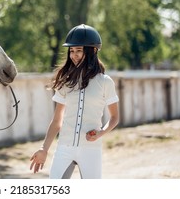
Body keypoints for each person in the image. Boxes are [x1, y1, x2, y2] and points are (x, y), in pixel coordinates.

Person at [30, 24, 119, 179]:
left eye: (79, 50)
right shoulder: (66, 82)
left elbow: (115, 117)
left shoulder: (105, 82)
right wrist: (44, 149)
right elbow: (57, 120)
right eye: (71, 51)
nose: (74, 55)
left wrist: (100, 133)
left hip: (91, 149)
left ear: (93, 50)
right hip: (64, 147)